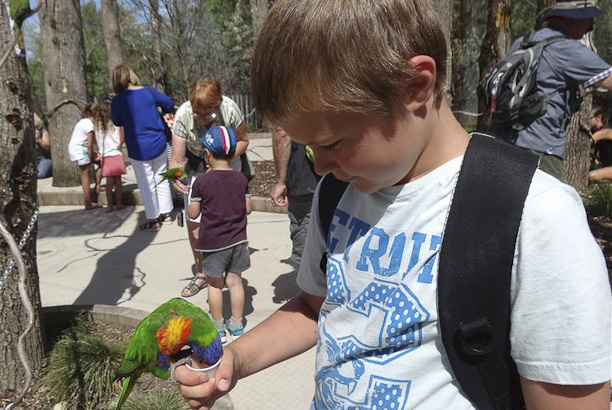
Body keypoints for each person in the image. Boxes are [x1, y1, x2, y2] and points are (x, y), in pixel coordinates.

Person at [175, 1, 611, 409]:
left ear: (414, 86)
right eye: (309, 149)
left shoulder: (534, 215)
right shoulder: (338, 194)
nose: (322, 166)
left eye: (330, 142)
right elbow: (315, 307)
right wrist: (238, 358)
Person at [500, 0, 612, 182]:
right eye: (588, 19)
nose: (590, 26)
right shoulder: (567, 49)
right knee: (555, 207)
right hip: (541, 149)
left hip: (503, 142)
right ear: (573, 19)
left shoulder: (522, 42)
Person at [169, 78, 250, 297]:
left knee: (229, 212)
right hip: (197, 159)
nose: (204, 119)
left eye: (209, 114)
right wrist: (175, 176)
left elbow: (243, 140)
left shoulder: (230, 109)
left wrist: (220, 161)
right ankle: (203, 272)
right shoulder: (184, 115)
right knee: (194, 219)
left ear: (218, 105)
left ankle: (231, 266)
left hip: (228, 157)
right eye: (199, 114)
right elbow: (177, 157)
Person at [187, 125, 252, 344]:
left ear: (207, 153)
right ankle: (237, 323)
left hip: (213, 243)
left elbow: (194, 213)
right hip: (239, 240)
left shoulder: (202, 182)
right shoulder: (241, 179)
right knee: (235, 282)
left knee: (215, 284)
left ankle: (218, 326)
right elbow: (248, 208)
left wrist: (193, 200)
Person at [111, 64, 175, 231]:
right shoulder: (148, 91)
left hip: (137, 146)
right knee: (162, 177)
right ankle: (167, 213)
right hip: (158, 141)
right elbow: (169, 104)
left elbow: (117, 121)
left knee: (146, 183)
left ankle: (154, 219)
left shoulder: (118, 100)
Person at [270, 126, 320, 267]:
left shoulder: (289, 103)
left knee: (306, 244)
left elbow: (282, 132)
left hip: (305, 178)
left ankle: (311, 286)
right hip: (340, 176)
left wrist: (280, 181)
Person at [93, 100, 126, 212]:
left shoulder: (97, 126)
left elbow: (97, 141)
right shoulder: (116, 124)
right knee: (118, 181)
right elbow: (120, 140)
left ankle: (109, 205)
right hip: (116, 153)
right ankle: (119, 204)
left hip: (105, 155)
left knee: (109, 182)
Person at [68, 104, 101, 210]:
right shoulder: (89, 125)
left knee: (99, 164)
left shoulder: (83, 122)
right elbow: (90, 144)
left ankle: (97, 186)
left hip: (78, 149)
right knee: (85, 175)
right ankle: (88, 202)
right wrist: (91, 157)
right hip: (81, 150)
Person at [589, 105, 612, 183]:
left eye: (589, 118)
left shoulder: (607, 128)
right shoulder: (594, 132)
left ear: (598, 117)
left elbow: (607, 133)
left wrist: (591, 139)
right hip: (607, 166)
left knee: (591, 176)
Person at [34, 114, 52, 179]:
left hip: (44, 159)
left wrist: (38, 140)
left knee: (40, 175)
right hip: (33, 160)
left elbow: (47, 146)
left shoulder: (42, 131)